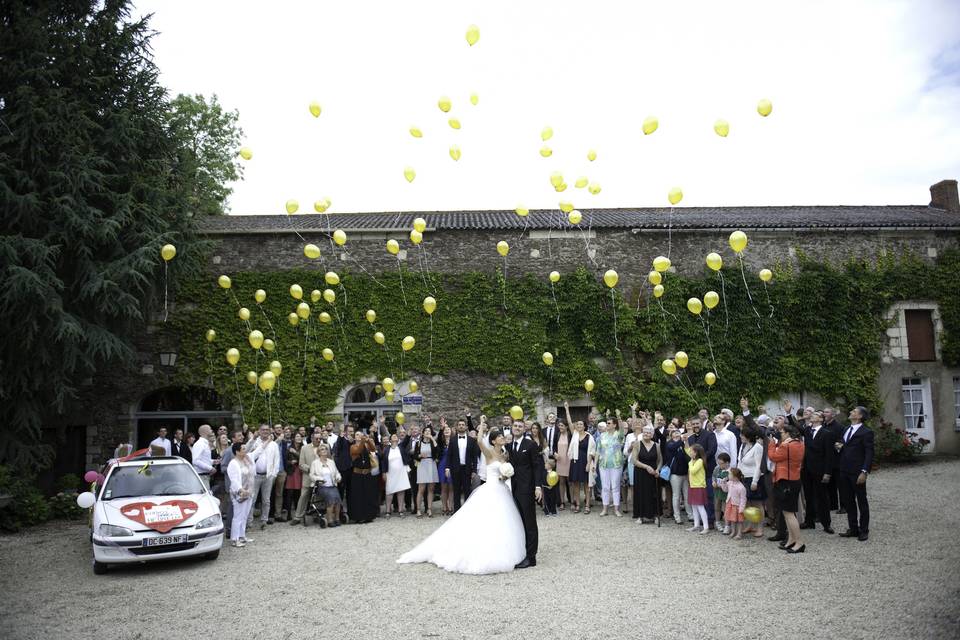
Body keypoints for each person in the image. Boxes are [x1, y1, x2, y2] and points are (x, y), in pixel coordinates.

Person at [398, 422, 527, 574]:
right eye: (498, 436)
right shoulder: (489, 452)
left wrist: (505, 475)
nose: (501, 437)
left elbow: (504, 472)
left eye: (501, 436)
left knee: (503, 520)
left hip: (502, 489)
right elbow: (479, 441)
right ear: (493, 441)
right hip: (490, 489)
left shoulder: (505, 454)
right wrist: (481, 424)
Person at [506, 419, 545, 568]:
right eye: (515, 426)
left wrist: (537, 487)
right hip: (513, 489)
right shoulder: (509, 446)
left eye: (520, 426)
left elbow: (537, 467)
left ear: (524, 429)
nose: (517, 428)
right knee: (519, 522)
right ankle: (522, 552)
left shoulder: (530, 445)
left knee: (529, 523)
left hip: (527, 488)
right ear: (512, 427)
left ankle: (531, 557)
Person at [768, 421, 806, 553]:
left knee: (789, 514)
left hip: (786, 481)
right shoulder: (799, 443)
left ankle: (799, 542)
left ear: (788, 433)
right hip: (794, 479)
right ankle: (791, 540)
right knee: (787, 513)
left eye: (782, 432)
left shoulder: (786, 446)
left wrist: (772, 443)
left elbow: (773, 456)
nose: (780, 434)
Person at [837, 406, 874, 541]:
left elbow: (869, 453)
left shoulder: (866, 432)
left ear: (859, 416)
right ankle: (853, 528)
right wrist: (839, 446)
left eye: (854, 411)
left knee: (861, 500)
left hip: (857, 471)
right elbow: (843, 443)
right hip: (844, 470)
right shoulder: (846, 429)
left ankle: (864, 530)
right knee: (848, 500)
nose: (851, 412)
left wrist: (864, 471)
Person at [799, 410, 836, 533]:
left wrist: (827, 472)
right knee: (808, 496)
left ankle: (826, 523)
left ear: (821, 419)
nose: (812, 416)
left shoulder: (826, 433)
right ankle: (809, 521)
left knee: (822, 496)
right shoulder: (808, 431)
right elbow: (797, 427)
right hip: (807, 469)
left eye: (815, 415)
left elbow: (829, 455)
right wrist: (789, 414)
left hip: (820, 470)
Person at [737, 416, 768, 538]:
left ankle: (760, 527)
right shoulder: (743, 446)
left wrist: (754, 482)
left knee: (757, 504)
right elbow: (740, 461)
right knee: (748, 504)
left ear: (748, 436)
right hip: (744, 478)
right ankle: (751, 524)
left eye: (742, 435)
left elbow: (758, 466)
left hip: (754, 478)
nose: (740, 436)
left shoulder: (757, 447)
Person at [245, 425, 279, 531]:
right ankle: (249, 521)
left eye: (267, 430)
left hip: (268, 475)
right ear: (259, 431)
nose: (265, 431)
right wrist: (253, 438)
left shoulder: (273, 444)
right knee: (252, 499)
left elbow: (276, 461)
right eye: (263, 430)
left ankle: (264, 520)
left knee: (266, 500)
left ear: (270, 431)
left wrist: (274, 474)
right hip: (255, 475)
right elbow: (246, 450)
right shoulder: (255, 442)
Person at [565, 401, 596, 514]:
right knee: (576, 484)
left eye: (580, 424)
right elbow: (569, 421)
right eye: (577, 424)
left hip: (585, 462)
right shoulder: (575, 435)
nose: (578, 426)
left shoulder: (589, 437)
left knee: (587, 484)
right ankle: (577, 504)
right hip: (575, 462)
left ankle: (587, 504)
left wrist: (588, 463)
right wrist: (567, 409)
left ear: (584, 426)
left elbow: (592, 452)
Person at [443, 417, 479, 512]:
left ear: (466, 427)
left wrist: (474, 470)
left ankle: (466, 512)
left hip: (467, 469)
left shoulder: (472, 440)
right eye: (459, 425)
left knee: (467, 491)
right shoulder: (453, 440)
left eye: (463, 425)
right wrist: (447, 468)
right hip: (455, 469)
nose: (461, 426)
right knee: (456, 491)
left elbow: (474, 457)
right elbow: (449, 455)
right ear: (457, 427)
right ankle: (457, 512)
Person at [688, 418, 718, 526]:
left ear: (701, 424)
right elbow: (690, 454)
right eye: (693, 424)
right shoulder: (690, 438)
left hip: (708, 469)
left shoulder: (710, 435)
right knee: (698, 498)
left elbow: (712, 449)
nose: (695, 425)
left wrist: (701, 460)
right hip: (695, 473)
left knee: (709, 496)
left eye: (697, 423)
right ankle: (701, 519)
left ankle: (710, 520)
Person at [630, 424, 662, 523]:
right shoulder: (637, 444)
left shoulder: (657, 445)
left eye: (649, 433)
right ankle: (640, 516)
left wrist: (658, 470)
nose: (646, 434)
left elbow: (660, 460)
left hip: (653, 473)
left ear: (652, 435)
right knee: (641, 493)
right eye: (645, 432)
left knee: (654, 494)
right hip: (640, 473)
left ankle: (655, 515)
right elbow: (634, 460)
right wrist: (646, 467)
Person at [289, 432, 321, 525]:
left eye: (320, 438)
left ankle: (317, 515)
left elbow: (329, 460)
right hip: (308, 476)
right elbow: (301, 464)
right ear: (312, 438)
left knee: (319, 496)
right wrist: (311, 469)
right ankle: (297, 516)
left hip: (320, 477)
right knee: (303, 496)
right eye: (316, 439)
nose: (318, 440)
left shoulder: (325, 446)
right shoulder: (304, 448)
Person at [226, 442, 255, 547]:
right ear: (237, 451)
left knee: (245, 515)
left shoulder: (246, 460)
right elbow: (233, 480)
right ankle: (234, 539)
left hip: (249, 491)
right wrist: (240, 489)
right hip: (239, 493)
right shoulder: (233, 463)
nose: (245, 450)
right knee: (238, 516)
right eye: (243, 449)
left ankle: (242, 536)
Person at [348, 432, 379, 523]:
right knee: (359, 496)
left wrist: (368, 440)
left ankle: (369, 515)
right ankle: (359, 516)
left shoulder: (365, 445)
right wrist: (363, 441)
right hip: (357, 475)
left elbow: (373, 449)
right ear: (354, 438)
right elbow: (358, 451)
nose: (359, 436)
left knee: (368, 495)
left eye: (360, 434)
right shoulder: (352, 447)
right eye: (357, 434)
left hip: (367, 474)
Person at [309, 443, 343, 527]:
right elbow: (311, 475)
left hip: (332, 485)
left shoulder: (331, 462)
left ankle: (337, 518)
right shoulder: (315, 463)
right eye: (322, 449)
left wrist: (338, 477)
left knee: (338, 499)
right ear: (319, 452)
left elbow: (337, 473)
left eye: (326, 449)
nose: (324, 451)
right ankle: (330, 519)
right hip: (321, 486)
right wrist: (319, 479)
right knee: (331, 498)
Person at [681, 434, 709, 534]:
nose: (690, 452)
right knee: (694, 506)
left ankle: (706, 527)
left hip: (699, 486)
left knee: (700, 507)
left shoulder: (699, 461)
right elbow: (686, 450)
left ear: (696, 453)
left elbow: (692, 471)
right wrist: (685, 442)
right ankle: (696, 525)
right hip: (693, 485)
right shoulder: (693, 460)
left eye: (692, 451)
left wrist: (690, 462)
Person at [383, 433, 412, 517]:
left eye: (396, 436)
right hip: (390, 473)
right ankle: (388, 511)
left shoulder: (401, 447)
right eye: (393, 436)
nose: (395, 436)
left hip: (401, 472)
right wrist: (384, 472)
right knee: (389, 491)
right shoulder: (387, 449)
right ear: (390, 440)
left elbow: (406, 440)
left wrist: (409, 432)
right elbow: (384, 462)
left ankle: (400, 510)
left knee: (401, 490)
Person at [665, 425, 690, 524]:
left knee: (687, 495)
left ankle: (690, 514)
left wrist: (686, 442)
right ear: (671, 435)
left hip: (685, 472)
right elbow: (673, 448)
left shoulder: (683, 444)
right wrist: (681, 440)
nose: (676, 433)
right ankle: (677, 517)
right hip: (675, 474)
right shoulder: (669, 444)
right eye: (674, 432)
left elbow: (689, 454)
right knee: (676, 495)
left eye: (678, 432)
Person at [413, 426, 440, 517]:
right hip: (422, 465)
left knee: (431, 489)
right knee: (421, 489)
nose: (428, 432)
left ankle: (429, 509)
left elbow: (437, 451)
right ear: (423, 433)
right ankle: (418, 509)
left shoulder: (433, 443)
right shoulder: (418, 443)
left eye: (429, 431)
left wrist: (432, 438)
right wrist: (420, 455)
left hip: (431, 464)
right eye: (426, 431)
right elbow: (415, 456)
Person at [721, 468, 748, 539]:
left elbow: (743, 499)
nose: (728, 475)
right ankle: (733, 532)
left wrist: (742, 508)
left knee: (739, 521)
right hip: (730, 504)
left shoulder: (741, 487)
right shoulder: (730, 483)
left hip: (737, 506)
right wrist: (723, 483)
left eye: (730, 474)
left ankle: (739, 533)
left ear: (735, 477)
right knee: (732, 519)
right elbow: (725, 490)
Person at [284, 433, 304, 520]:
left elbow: (302, 459)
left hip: (300, 472)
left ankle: (297, 512)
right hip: (291, 472)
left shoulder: (303, 448)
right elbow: (285, 460)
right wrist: (290, 462)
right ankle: (288, 514)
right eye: (297, 436)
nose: (299, 438)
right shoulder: (289, 448)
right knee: (290, 493)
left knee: (298, 494)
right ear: (293, 438)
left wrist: (295, 452)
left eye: (300, 437)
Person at [271, 426, 289, 522]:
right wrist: (278, 439)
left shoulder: (284, 442)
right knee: (269, 493)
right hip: (271, 471)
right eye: (277, 428)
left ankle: (278, 514)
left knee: (279, 494)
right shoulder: (271, 439)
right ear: (273, 430)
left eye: (280, 428)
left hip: (282, 471)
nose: (279, 429)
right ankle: (269, 515)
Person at [712, 452, 731, 533]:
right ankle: (717, 522)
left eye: (721, 463)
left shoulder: (730, 471)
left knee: (725, 509)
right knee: (717, 507)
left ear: (727, 463)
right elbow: (713, 476)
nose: (720, 465)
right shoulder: (717, 469)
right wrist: (713, 482)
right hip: (717, 491)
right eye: (718, 463)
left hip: (726, 493)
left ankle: (727, 525)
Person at [437, 423, 453, 516]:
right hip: (442, 465)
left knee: (451, 487)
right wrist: (441, 428)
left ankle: (451, 506)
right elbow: (438, 437)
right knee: (444, 488)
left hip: (451, 465)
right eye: (445, 430)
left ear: (451, 432)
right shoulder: (441, 442)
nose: (447, 431)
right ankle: (444, 507)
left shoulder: (454, 441)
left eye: (448, 429)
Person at [192, 424, 214, 490]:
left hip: (205, 476)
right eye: (210, 429)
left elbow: (203, 459)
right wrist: (210, 468)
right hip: (201, 476)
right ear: (206, 431)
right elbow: (195, 461)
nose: (212, 430)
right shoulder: (200, 444)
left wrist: (213, 461)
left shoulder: (204, 443)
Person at [555, 420, 571, 511]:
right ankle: (562, 502)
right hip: (560, 461)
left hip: (568, 460)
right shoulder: (557, 435)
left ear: (566, 426)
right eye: (559, 426)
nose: (560, 427)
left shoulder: (570, 435)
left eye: (562, 425)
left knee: (570, 482)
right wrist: (555, 453)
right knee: (561, 482)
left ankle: (573, 501)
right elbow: (554, 446)